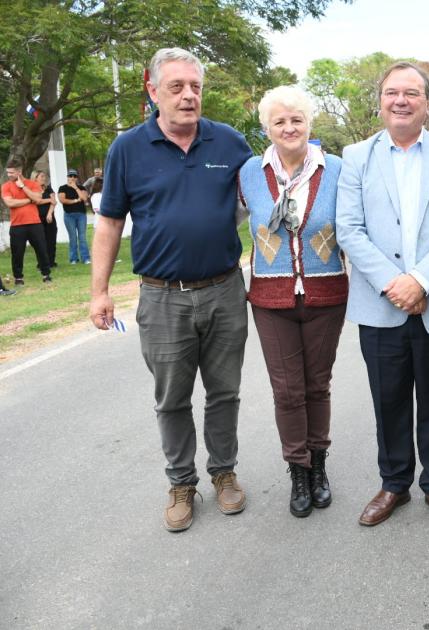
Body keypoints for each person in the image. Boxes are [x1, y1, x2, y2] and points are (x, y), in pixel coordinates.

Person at [90, 47, 254, 533]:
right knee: (172, 398)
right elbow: (110, 222)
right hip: (161, 296)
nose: (188, 96)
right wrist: (98, 291)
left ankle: (224, 473)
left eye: (195, 87)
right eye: (177, 87)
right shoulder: (128, 148)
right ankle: (181, 482)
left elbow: (269, 188)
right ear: (153, 91)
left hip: (225, 290)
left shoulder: (229, 142)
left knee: (225, 393)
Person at [336, 61, 429, 530]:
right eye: (392, 92)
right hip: (380, 305)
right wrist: (395, 285)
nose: (401, 100)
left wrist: (421, 280)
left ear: (428, 103)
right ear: (380, 102)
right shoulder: (356, 157)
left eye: (411, 93)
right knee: (389, 398)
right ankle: (394, 483)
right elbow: (349, 230)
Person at [238, 85, 348, 518]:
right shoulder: (248, 172)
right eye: (279, 121)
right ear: (267, 127)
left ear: (309, 124)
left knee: (316, 385)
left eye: (296, 119)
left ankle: (319, 464)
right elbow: (227, 218)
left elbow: (355, 224)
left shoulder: (337, 169)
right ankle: (297, 468)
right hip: (270, 295)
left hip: (326, 291)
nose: (288, 127)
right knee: (287, 390)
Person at [2, 157, 52, 285]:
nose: (9, 175)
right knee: (17, 253)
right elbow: (10, 203)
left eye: (11, 172)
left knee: (41, 249)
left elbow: (38, 198)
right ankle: (18, 278)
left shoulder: (32, 184)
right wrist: (29, 200)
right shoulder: (6, 186)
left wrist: (23, 187)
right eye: (8, 172)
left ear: (19, 172)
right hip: (17, 225)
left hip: (35, 223)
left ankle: (46, 274)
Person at [59, 168, 90, 264]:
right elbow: (62, 200)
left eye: (74, 176)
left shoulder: (82, 188)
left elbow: (84, 198)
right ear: (67, 177)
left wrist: (75, 188)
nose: (72, 178)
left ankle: (85, 258)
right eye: (70, 176)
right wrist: (75, 201)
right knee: (72, 237)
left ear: (77, 178)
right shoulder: (62, 188)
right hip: (69, 215)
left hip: (81, 215)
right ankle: (73, 258)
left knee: (82, 237)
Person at [32, 170, 58, 268]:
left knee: (51, 240)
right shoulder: (32, 189)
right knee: (40, 242)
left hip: (49, 218)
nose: (44, 178)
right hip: (37, 219)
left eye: (44, 176)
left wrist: (49, 214)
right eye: (42, 176)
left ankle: (51, 262)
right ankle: (42, 263)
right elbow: (36, 201)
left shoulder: (48, 189)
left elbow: (54, 202)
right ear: (35, 178)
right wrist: (48, 200)